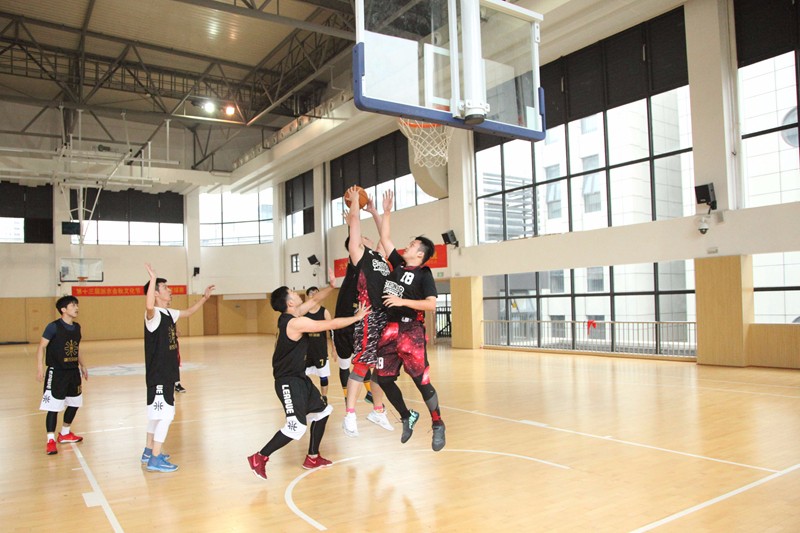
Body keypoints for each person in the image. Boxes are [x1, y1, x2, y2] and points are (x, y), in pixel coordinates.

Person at [247, 275, 369, 481]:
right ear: (290, 303)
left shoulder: (293, 315)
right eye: (292, 293)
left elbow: (314, 300)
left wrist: (331, 287)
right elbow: (330, 324)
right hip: (287, 381)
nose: (297, 293)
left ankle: (312, 457)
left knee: (323, 412)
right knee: (296, 427)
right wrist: (357, 318)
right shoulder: (295, 323)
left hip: (299, 377)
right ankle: (260, 457)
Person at [375, 190, 446, 451]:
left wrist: (402, 301)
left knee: (420, 380)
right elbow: (385, 238)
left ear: (420, 254)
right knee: (383, 379)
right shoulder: (398, 266)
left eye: (413, 244)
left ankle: (437, 423)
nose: (408, 245)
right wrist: (385, 212)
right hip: (389, 329)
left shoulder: (424, 274)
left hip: (411, 329)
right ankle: (407, 416)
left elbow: (431, 304)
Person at [142, 263, 215, 473]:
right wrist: (153, 279)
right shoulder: (153, 314)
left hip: (167, 372)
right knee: (165, 416)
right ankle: (155, 459)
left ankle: (148, 451)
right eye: (165, 288)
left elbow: (188, 312)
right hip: (159, 374)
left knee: (156, 415)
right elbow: (149, 305)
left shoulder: (168, 313)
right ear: (156, 293)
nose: (170, 290)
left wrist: (204, 298)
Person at [341, 186, 394, 437]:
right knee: (362, 366)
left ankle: (378, 410)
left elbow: (385, 235)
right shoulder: (358, 256)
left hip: (387, 318)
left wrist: (375, 211)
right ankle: (350, 415)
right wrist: (355, 203)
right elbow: (354, 223)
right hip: (369, 316)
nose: (365, 237)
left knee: (382, 368)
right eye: (360, 236)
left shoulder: (380, 258)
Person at [37, 295, 88, 455]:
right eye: (73, 305)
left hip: (73, 372)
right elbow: (41, 347)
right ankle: (50, 440)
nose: (76, 308)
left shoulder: (77, 327)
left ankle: (65, 433)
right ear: (63, 309)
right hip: (57, 372)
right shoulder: (53, 327)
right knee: (53, 407)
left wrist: (82, 365)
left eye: (76, 305)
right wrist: (40, 367)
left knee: (75, 403)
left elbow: (76, 348)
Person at [303, 286, 333, 399]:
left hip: (320, 350)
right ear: (307, 296)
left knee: (323, 376)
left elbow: (331, 331)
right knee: (302, 375)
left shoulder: (324, 312)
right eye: (311, 293)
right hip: (306, 351)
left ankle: (324, 397)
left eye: (316, 292)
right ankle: (305, 396)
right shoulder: (303, 312)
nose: (314, 294)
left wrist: (334, 349)